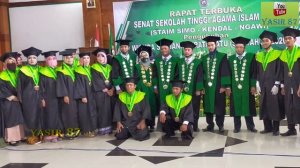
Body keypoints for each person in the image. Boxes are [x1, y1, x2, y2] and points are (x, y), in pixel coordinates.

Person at [256, 30, 284, 136]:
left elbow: (280, 70)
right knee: (264, 105)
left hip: (273, 85)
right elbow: (257, 71)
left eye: (266, 41)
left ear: (271, 42)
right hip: (263, 85)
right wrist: (257, 82)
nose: (264, 43)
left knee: (274, 106)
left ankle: (276, 129)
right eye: (263, 41)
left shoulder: (277, 54)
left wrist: (277, 84)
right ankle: (267, 127)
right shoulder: (259, 55)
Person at [201, 36, 231, 133]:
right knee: (208, 107)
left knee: (219, 106)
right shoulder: (204, 58)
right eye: (208, 45)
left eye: (212, 45)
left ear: (216, 45)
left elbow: (225, 71)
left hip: (218, 86)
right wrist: (202, 87)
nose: (210, 47)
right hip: (207, 87)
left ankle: (220, 125)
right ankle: (210, 124)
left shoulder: (222, 56)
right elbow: (202, 73)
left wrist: (224, 86)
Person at [228, 37, 257, 133]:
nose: (239, 49)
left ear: (244, 48)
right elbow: (228, 74)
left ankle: (251, 126)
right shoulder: (231, 59)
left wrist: (253, 85)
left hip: (247, 87)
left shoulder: (251, 57)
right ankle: (237, 127)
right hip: (235, 87)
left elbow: (254, 73)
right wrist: (228, 87)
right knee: (236, 107)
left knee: (247, 106)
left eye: (241, 47)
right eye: (237, 47)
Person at [17, 47, 43, 144]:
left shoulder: (41, 70)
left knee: (39, 116)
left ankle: (40, 135)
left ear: (37, 59)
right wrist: (20, 98)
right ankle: (30, 137)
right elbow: (19, 86)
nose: (32, 60)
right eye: (30, 58)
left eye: (34, 58)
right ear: (27, 60)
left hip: (39, 96)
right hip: (28, 97)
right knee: (30, 117)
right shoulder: (23, 70)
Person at [178, 41, 204, 132]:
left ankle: (195, 126)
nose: (186, 51)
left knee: (194, 108)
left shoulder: (198, 62)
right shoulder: (180, 62)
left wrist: (198, 89)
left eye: (188, 50)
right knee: (182, 108)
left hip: (194, 90)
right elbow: (177, 75)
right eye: (185, 50)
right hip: (182, 91)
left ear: (192, 51)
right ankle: (183, 125)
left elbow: (200, 76)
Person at [0, 52, 25, 146]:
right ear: (5, 64)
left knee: (21, 117)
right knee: (11, 118)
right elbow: (1, 88)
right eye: (9, 61)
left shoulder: (20, 73)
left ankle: (21, 136)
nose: (11, 63)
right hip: (8, 101)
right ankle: (12, 138)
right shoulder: (2, 76)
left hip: (20, 99)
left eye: (13, 61)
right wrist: (12, 97)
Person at [279, 27, 300, 136]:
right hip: (287, 84)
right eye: (285, 38)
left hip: (297, 85)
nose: (287, 40)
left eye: (289, 38)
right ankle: (291, 129)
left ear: (295, 39)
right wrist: (282, 86)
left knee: (298, 106)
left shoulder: (299, 52)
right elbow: (281, 72)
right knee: (289, 106)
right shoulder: (283, 54)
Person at [39, 51, 63, 142]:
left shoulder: (58, 71)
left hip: (58, 97)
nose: (52, 61)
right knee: (50, 116)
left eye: (54, 59)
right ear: (46, 61)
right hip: (49, 98)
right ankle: (50, 135)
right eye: (49, 59)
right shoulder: (43, 72)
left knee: (58, 116)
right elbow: (41, 87)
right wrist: (42, 98)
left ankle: (57, 134)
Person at [56, 49, 79, 139]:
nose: (69, 59)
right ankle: (69, 132)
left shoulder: (74, 68)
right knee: (68, 114)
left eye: (71, 57)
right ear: (63, 59)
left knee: (74, 113)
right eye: (67, 58)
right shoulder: (61, 70)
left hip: (75, 94)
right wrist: (65, 95)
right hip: (68, 95)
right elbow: (60, 84)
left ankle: (75, 131)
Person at [135, 45, 158, 132]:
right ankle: (144, 123)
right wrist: (138, 89)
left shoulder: (152, 65)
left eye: (145, 54)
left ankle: (151, 124)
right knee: (143, 106)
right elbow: (136, 78)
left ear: (149, 56)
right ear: (140, 56)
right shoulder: (137, 66)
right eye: (142, 55)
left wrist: (155, 86)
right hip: (142, 88)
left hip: (151, 89)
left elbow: (155, 77)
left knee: (151, 105)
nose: (144, 56)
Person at [91, 48, 114, 135]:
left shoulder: (109, 67)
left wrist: (112, 89)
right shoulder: (94, 68)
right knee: (102, 111)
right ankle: (102, 128)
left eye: (102, 56)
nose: (100, 58)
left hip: (110, 92)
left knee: (109, 110)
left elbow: (112, 78)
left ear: (106, 57)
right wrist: (105, 89)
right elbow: (96, 80)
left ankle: (110, 127)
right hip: (100, 93)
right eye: (98, 56)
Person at [74, 52, 97, 137]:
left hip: (91, 94)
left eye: (88, 58)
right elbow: (78, 84)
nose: (86, 60)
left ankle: (92, 129)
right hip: (84, 95)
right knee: (84, 112)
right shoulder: (78, 70)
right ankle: (86, 131)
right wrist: (82, 95)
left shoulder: (90, 69)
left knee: (91, 111)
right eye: (84, 58)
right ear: (81, 60)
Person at [153, 38, 179, 106]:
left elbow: (177, 75)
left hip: (172, 87)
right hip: (160, 87)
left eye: (165, 48)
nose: (163, 50)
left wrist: (176, 87)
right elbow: (154, 75)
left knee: (172, 104)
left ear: (169, 49)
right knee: (161, 104)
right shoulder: (157, 61)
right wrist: (155, 87)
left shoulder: (176, 60)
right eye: (162, 49)